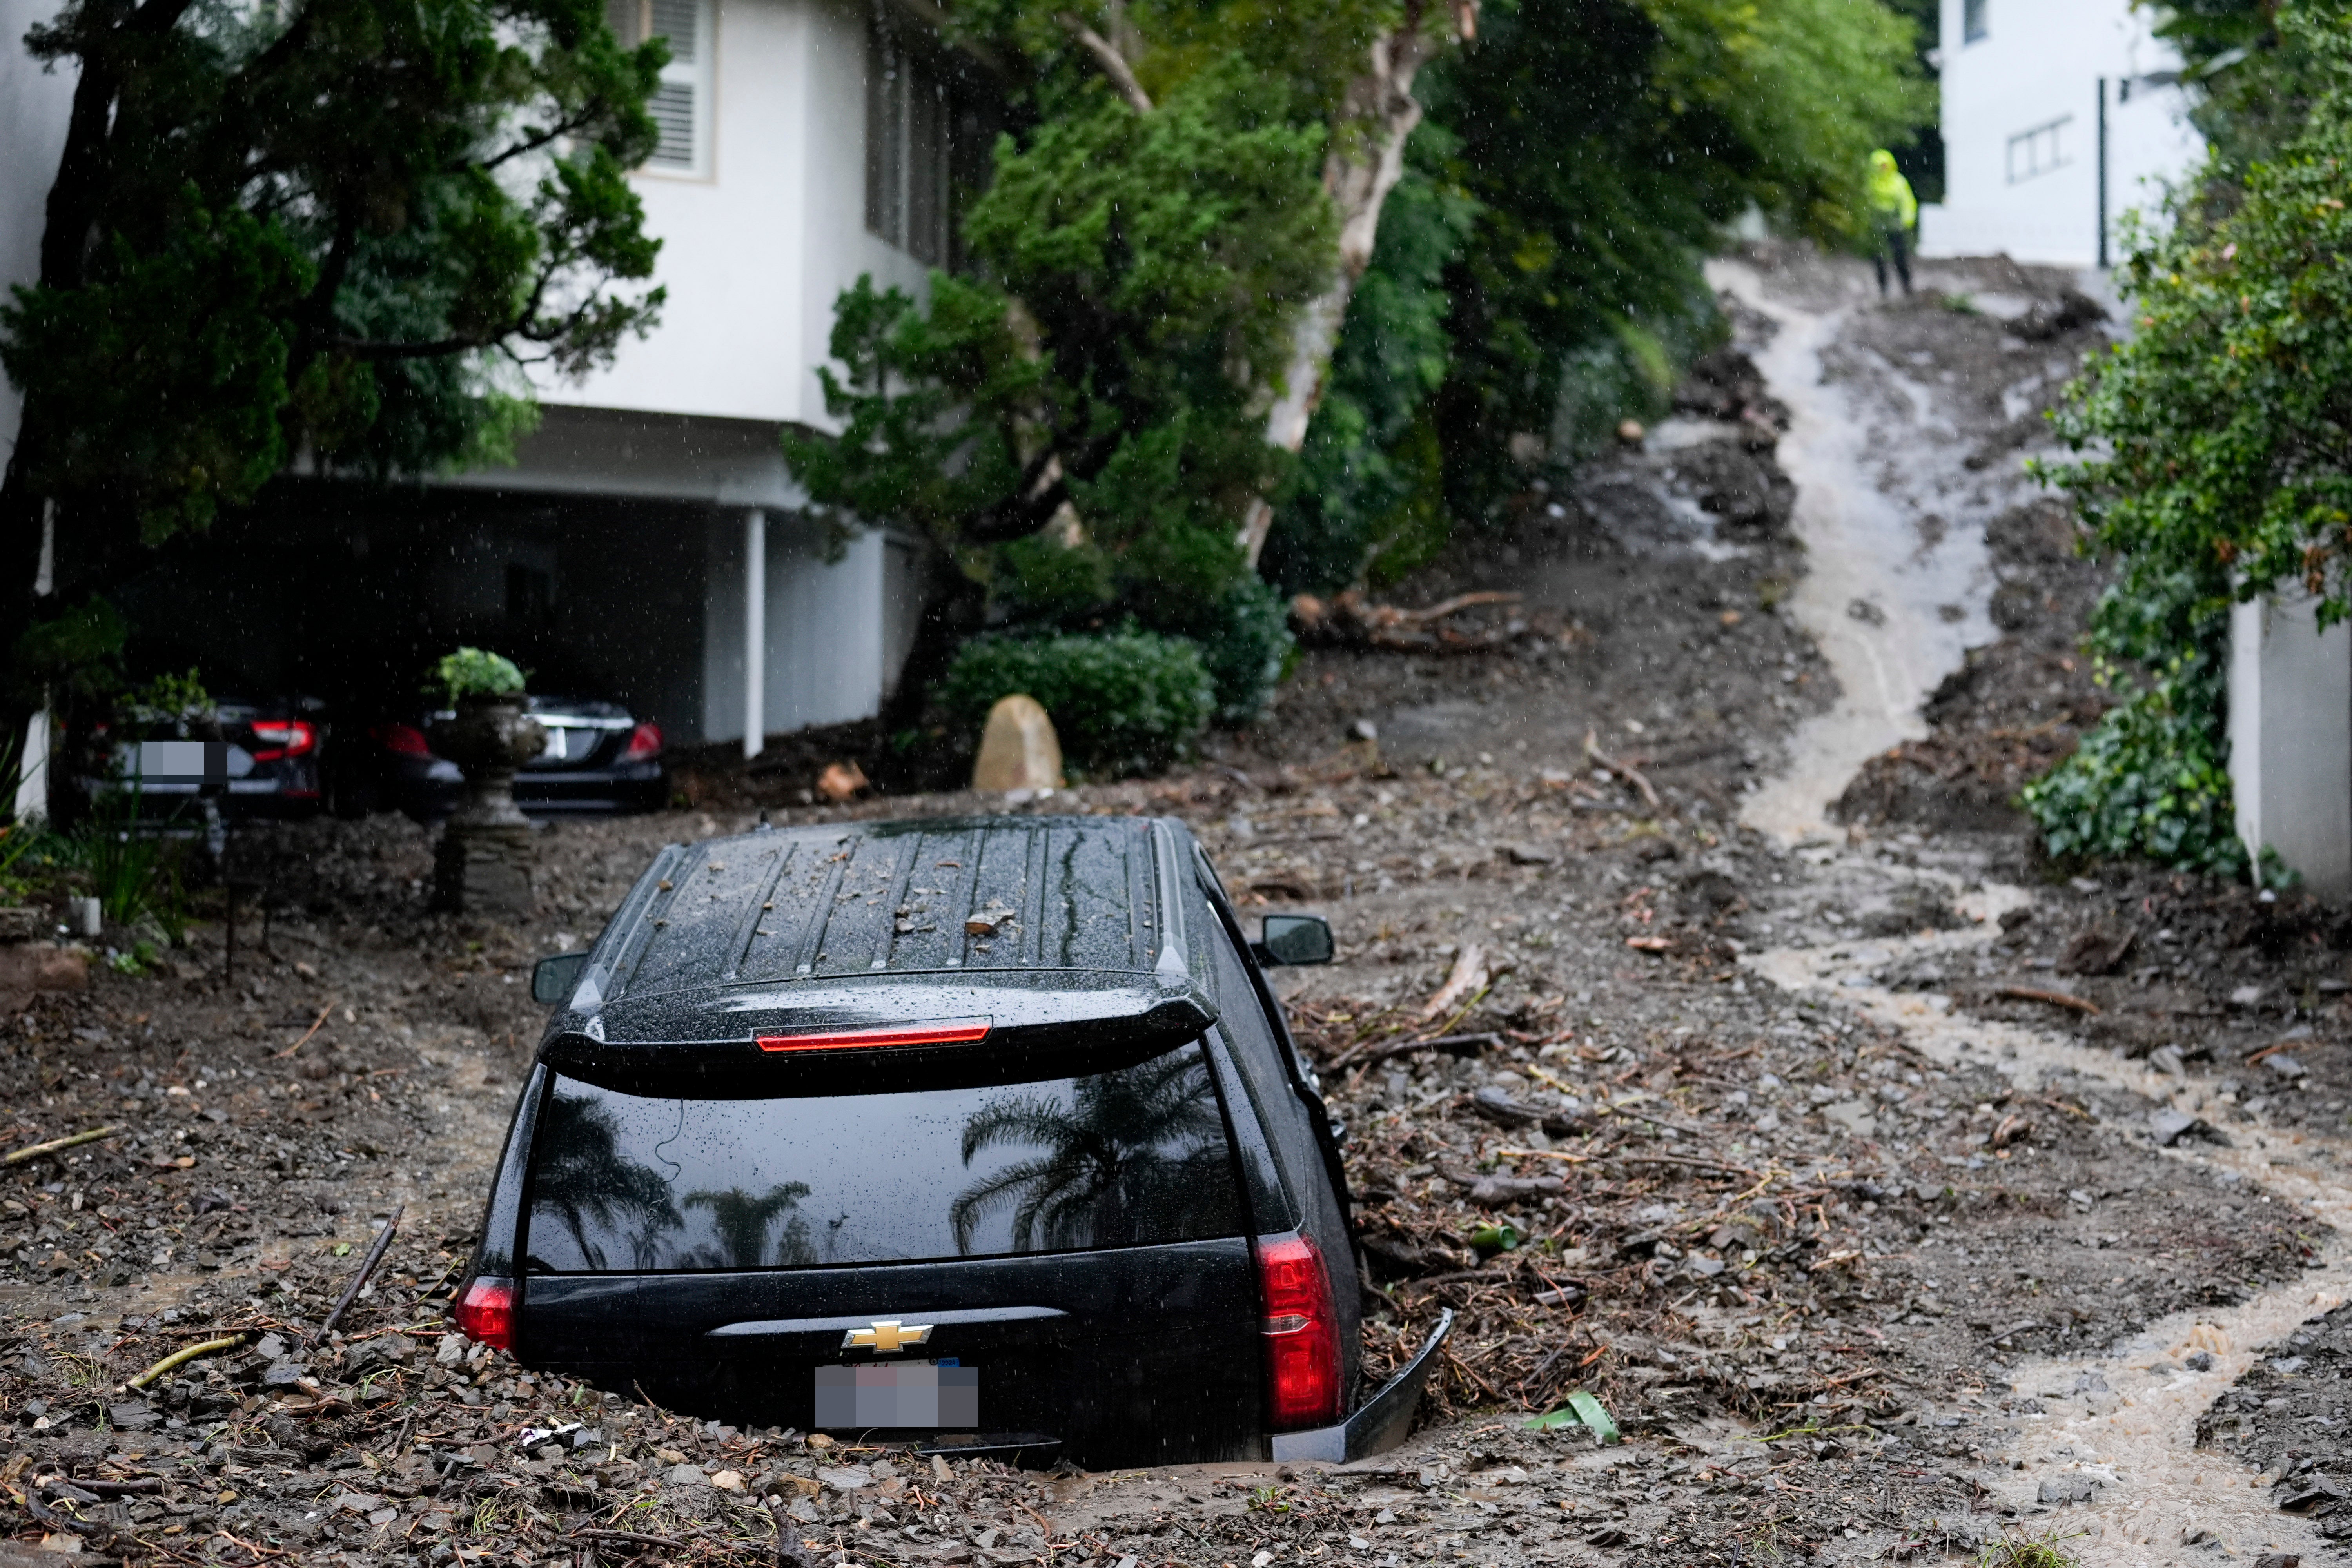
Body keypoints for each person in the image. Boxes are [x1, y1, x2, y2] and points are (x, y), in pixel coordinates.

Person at [1866, 149, 1918, 298]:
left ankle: (1907, 285)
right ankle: (1883, 289)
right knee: (1878, 259)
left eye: (1885, 165)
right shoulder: (1870, 182)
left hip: (1895, 226)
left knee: (1900, 256)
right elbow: (1864, 202)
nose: (1883, 169)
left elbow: (1907, 201)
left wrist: (1907, 219)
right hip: (1876, 226)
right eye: (1879, 166)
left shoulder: (1898, 181)